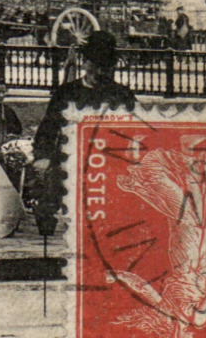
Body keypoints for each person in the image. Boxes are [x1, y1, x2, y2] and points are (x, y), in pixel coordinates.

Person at [32, 30, 138, 237]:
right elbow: (48, 127)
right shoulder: (67, 93)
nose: (101, 72)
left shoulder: (122, 94)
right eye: (96, 65)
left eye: (106, 67)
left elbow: (136, 132)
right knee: (52, 185)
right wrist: (42, 156)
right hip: (70, 157)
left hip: (109, 159)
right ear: (86, 64)